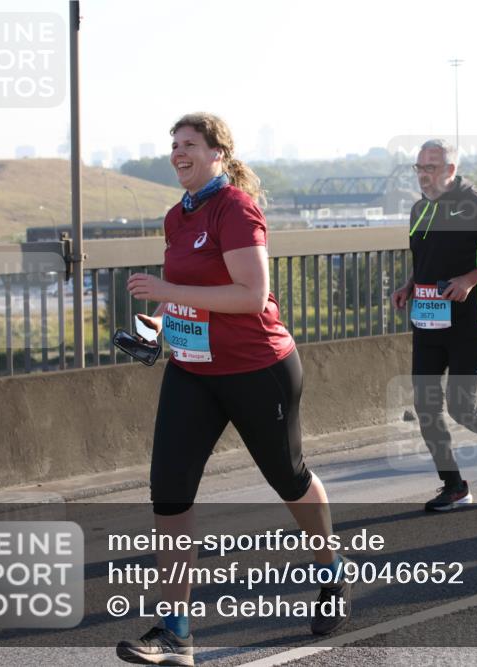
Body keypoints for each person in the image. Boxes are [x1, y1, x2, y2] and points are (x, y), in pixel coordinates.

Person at [117, 113, 351, 666]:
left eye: (189, 144)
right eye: (173, 145)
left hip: (256, 368)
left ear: (218, 152)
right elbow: (190, 292)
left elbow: (249, 295)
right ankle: (176, 634)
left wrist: (167, 288)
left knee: (288, 478)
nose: (178, 152)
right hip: (194, 370)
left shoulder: (237, 209)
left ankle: (332, 573)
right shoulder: (177, 216)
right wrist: (158, 323)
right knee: (169, 493)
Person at [390, 139, 477, 512]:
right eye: (419, 168)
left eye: (431, 168)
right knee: (425, 406)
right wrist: (409, 285)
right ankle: (453, 485)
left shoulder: (473, 204)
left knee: (460, 405)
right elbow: (427, 259)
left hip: (470, 321)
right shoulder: (419, 210)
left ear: (451, 170)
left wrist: (469, 280)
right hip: (428, 319)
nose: (423, 175)